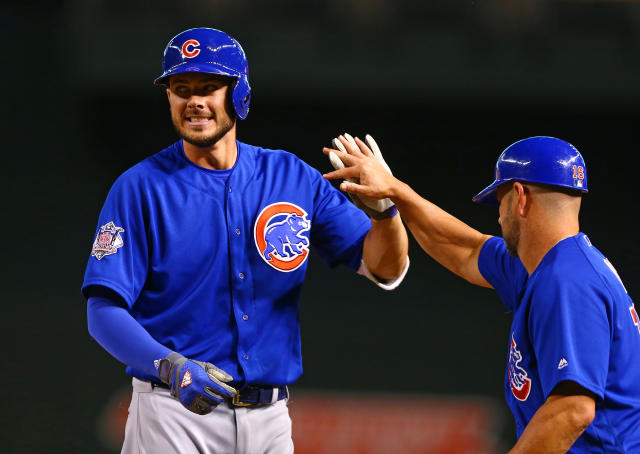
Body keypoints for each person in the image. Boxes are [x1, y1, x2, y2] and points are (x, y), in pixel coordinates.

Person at [82, 27, 409, 453]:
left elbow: (386, 268)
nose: (194, 100)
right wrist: (169, 367)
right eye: (181, 89)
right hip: (173, 412)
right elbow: (102, 311)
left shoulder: (291, 177)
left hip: (270, 418)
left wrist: (386, 212)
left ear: (239, 94)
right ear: (169, 98)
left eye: (209, 87)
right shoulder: (140, 188)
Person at [323, 135, 640, 453]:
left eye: (500, 202)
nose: (499, 217)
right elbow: (466, 249)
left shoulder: (567, 280)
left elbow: (572, 411)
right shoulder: (545, 266)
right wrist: (395, 193)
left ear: (520, 197)